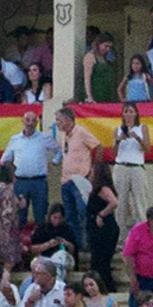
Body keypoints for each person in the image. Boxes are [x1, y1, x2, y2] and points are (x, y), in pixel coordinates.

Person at [55, 107, 102, 252]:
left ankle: (89, 245)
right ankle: (77, 246)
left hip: (80, 180)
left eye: (59, 120)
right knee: (70, 216)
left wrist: (95, 170)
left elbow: (99, 147)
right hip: (66, 181)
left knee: (84, 214)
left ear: (68, 120)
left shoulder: (80, 132)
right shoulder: (65, 136)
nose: (57, 123)